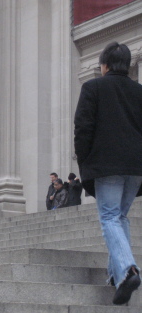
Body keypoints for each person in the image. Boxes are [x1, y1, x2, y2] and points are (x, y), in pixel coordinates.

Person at [74, 41, 142, 305]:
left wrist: (84, 161)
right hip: (135, 167)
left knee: (110, 217)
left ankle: (128, 270)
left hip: (107, 165)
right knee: (119, 216)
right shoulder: (139, 91)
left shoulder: (93, 88)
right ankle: (116, 276)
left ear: (104, 65)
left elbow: (83, 128)